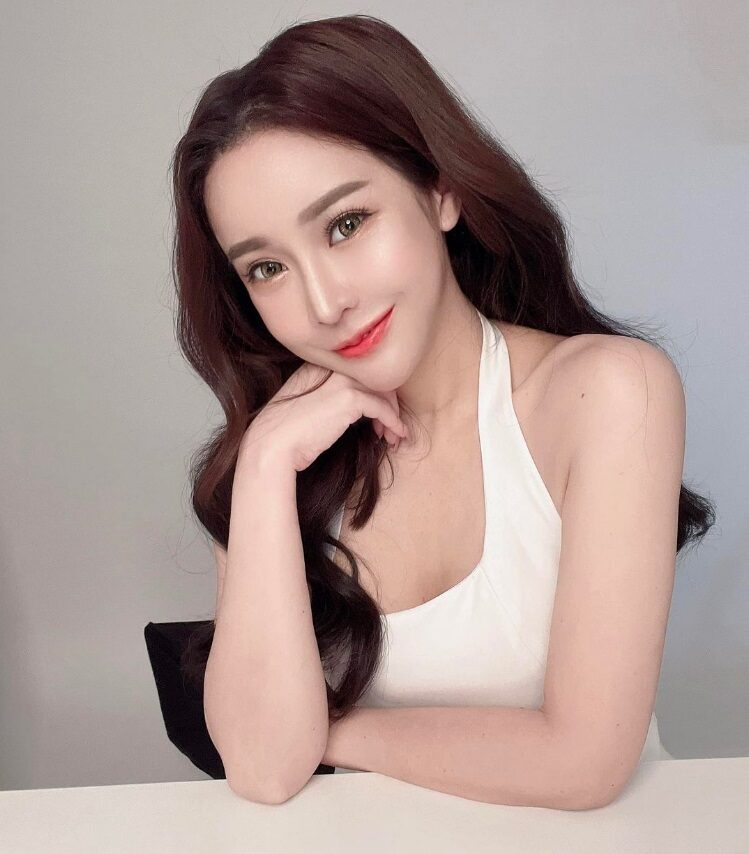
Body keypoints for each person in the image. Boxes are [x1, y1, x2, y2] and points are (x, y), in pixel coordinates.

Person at [171, 14, 715, 806]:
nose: (324, 302)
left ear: (440, 191)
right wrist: (260, 469)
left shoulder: (604, 393)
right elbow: (260, 769)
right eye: (266, 268)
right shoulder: (276, 458)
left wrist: (325, 733)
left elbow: (584, 763)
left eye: (345, 224)